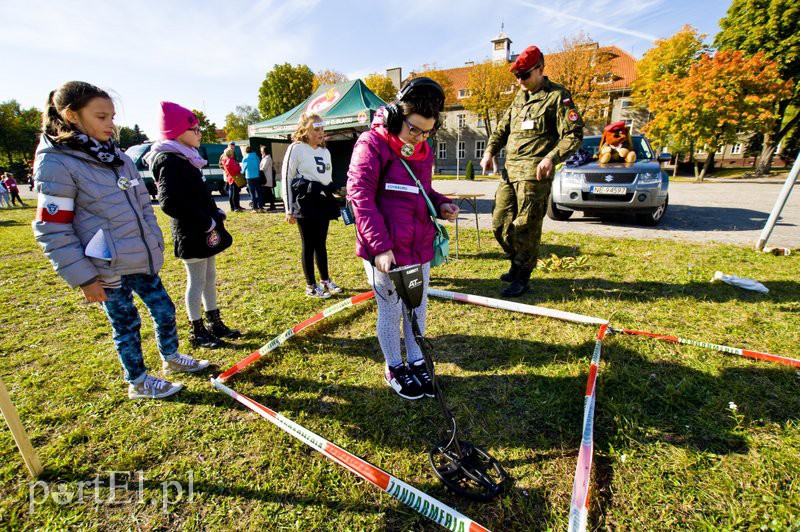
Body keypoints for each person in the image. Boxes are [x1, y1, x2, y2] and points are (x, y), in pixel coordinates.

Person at [32, 81, 209, 400]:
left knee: (165, 310)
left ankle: (171, 359)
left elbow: (143, 204)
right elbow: (53, 227)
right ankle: (139, 381)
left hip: (139, 259)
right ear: (72, 116)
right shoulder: (56, 162)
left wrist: (154, 242)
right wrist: (84, 278)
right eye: (101, 117)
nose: (111, 124)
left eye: (112, 117)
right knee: (126, 324)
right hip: (105, 268)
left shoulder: (118, 156)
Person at [347, 77, 459, 400]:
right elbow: (360, 197)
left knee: (418, 307)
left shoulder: (423, 151)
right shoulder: (371, 144)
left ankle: (417, 360)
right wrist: (380, 248)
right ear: (397, 115)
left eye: (428, 131)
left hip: (418, 247)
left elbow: (422, 190)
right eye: (415, 129)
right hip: (386, 253)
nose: (421, 137)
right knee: (392, 310)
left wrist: (440, 204)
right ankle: (394, 365)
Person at [480, 45, 584, 297]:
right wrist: (489, 151)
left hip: (534, 176)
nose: (520, 81)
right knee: (500, 223)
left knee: (526, 226)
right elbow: (502, 128)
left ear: (540, 69)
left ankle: (522, 276)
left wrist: (551, 158)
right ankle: (515, 264)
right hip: (510, 172)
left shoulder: (558, 96)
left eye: (525, 75)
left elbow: (573, 135)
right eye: (517, 76)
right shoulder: (519, 97)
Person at [147, 101, 242, 349]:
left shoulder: (185, 156)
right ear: (177, 132)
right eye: (195, 129)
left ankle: (214, 322)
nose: (199, 133)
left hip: (203, 230)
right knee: (196, 281)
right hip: (191, 232)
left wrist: (214, 211)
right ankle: (197, 329)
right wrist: (204, 220)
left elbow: (195, 194)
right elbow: (169, 202)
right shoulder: (169, 160)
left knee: (210, 277)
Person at [282, 113, 343, 299]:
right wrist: (288, 208)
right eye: (316, 129)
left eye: (322, 129)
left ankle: (325, 280)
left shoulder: (325, 152)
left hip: (322, 202)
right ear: (304, 130)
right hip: (304, 201)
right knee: (308, 245)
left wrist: (338, 191)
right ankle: (311, 285)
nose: (320, 133)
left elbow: (327, 178)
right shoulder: (296, 148)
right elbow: (287, 177)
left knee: (321, 244)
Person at [220, 146, 244, 212]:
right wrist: (239, 166)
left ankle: (234, 207)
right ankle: (236, 207)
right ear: (231, 154)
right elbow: (236, 169)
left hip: (230, 178)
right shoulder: (230, 160)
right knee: (235, 194)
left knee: (233, 193)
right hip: (234, 178)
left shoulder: (225, 160)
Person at [241, 146, 264, 213]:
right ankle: (261, 207)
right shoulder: (256, 157)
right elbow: (259, 165)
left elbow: (243, 169)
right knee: (259, 192)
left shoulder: (245, 158)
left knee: (252, 193)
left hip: (249, 177)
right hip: (257, 176)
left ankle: (255, 208)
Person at [259, 145, 277, 211]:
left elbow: (263, 168)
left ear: (264, 151)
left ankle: (272, 205)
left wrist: (259, 169)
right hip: (265, 177)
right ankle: (272, 205)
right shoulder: (265, 158)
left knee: (268, 192)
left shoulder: (267, 158)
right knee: (268, 192)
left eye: (261, 151)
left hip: (266, 178)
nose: (260, 152)